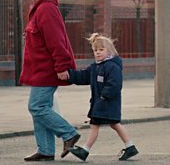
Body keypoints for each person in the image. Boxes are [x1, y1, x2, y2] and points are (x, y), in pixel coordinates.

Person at [20, 0, 81, 161]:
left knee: (37, 107)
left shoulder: (46, 9)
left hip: (47, 69)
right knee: (40, 107)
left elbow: (57, 41)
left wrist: (62, 67)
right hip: (40, 69)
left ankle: (68, 134)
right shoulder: (39, 9)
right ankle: (45, 150)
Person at [59, 33, 139, 161]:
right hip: (99, 102)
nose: (97, 53)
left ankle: (85, 150)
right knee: (109, 124)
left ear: (110, 51)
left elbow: (115, 84)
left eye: (101, 50)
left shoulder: (112, 66)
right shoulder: (95, 67)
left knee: (105, 124)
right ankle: (130, 147)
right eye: (95, 50)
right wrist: (69, 74)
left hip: (108, 102)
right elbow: (83, 76)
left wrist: (104, 96)